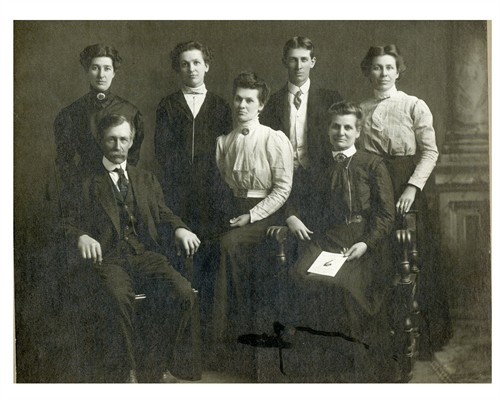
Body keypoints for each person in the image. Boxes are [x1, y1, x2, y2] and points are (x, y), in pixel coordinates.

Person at [61, 113, 200, 383]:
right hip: (108, 259)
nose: (118, 145)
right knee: (116, 297)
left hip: (143, 255)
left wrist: (179, 228)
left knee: (183, 293)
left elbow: (163, 213)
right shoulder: (84, 181)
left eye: (123, 139)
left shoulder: (145, 178)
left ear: (132, 141)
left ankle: (154, 366)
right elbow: (64, 222)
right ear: (101, 141)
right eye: (111, 139)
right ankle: (127, 372)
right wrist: (81, 236)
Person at [277, 101, 396, 382]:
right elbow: (292, 198)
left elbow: (386, 214)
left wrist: (367, 243)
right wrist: (291, 217)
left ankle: (352, 370)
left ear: (358, 131)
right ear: (327, 129)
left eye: (347, 127)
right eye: (335, 127)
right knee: (300, 276)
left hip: (363, 242)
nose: (340, 132)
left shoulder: (372, 164)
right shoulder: (317, 166)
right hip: (327, 239)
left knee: (343, 286)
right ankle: (316, 367)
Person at [358, 44, 452, 358]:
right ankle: (385, 336)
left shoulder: (414, 105)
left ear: (398, 70)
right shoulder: (361, 109)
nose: (383, 74)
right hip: (375, 183)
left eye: (389, 67)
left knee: (414, 256)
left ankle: (425, 337)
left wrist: (412, 187)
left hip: (407, 182)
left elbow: (430, 152)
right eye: (376, 67)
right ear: (367, 71)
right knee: (381, 254)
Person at [212, 71, 294, 343]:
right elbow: (227, 183)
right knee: (210, 244)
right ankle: (223, 340)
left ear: (261, 105)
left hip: (267, 212)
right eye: (238, 99)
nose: (241, 105)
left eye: (249, 100)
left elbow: (282, 189)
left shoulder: (274, 139)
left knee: (228, 246)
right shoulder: (225, 141)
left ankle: (245, 331)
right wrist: (235, 214)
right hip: (234, 208)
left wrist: (251, 215)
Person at [260, 36, 343, 241]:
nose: (299, 66)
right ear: (284, 62)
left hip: (322, 182)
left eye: (304, 60)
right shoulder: (272, 103)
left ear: (312, 62)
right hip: (284, 184)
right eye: (293, 60)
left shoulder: (330, 99)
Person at [154, 40, 232, 239]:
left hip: (213, 188)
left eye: (196, 63)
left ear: (206, 66)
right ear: (178, 69)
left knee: (212, 244)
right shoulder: (168, 105)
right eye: (185, 64)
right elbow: (162, 149)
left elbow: (228, 150)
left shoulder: (220, 105)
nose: (191, 69)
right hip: (177, 188)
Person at [54, 44, 144, 193]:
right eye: (95, 68)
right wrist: (79, 188)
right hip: (85, 191)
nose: (101, 75)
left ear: (114, 72)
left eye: (107, 68)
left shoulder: (130, 112)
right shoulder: (70, 113)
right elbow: (64, 161)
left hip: (122, 188)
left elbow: (133, 156)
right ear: (87, 71)